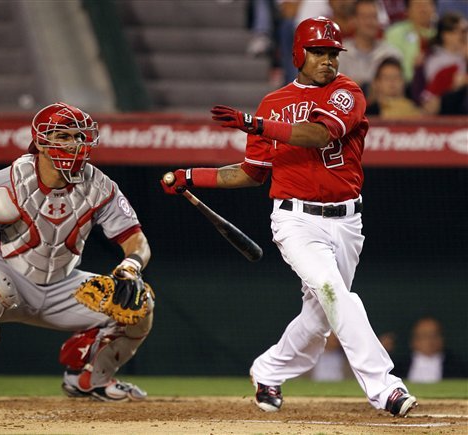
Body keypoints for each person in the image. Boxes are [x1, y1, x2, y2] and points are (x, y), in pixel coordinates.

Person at [161, 16, 417, 417]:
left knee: (319, 320)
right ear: (299, 53)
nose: (328, 60)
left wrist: (256, 124)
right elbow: (252, 173)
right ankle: (385, 388)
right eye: (318, 52)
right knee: (334, 292)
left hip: (347, 221)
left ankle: (268, 370)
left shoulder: (347, 92)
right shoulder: (273, 103)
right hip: (296, 220)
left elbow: (319, 134)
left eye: (332, 53)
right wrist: (192, 176)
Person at [0, 102, 154, 401]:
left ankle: (90, 380)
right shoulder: (4, 183)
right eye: (63, 136)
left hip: (62, 283)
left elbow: (136, 240)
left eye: (79, 136)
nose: (73, 144)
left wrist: (131, 266)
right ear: (40, 142)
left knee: (140, 304)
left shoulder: (101, 186)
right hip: (6, 275)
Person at [339, 0, 402, 94]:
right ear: (354, 20)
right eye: (365, 17)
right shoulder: (340, 53)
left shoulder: (391, 53)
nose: (370, 22)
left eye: (374, 17)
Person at [419, 11, 468, 115]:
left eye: (465, 31)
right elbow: (436, 90)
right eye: (461, 31)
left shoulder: (464, 54)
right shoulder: (435, 59)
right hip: (445, 109)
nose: (463, 36)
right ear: (445, 35)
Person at [394, 317, 468, 382]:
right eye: (424, 336)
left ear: (442, 339)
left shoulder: (457, 367)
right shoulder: (398, 368)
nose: (430, 341)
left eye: (434, 335)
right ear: (413, 341)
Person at [384, 0, 437, 84]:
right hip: (405, 84)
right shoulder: (395, 32)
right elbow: (391, 64)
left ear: (434, 8)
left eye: (426, 4)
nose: (423, 9)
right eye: (418, 5)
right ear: (407, 9)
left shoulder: (442, 33)